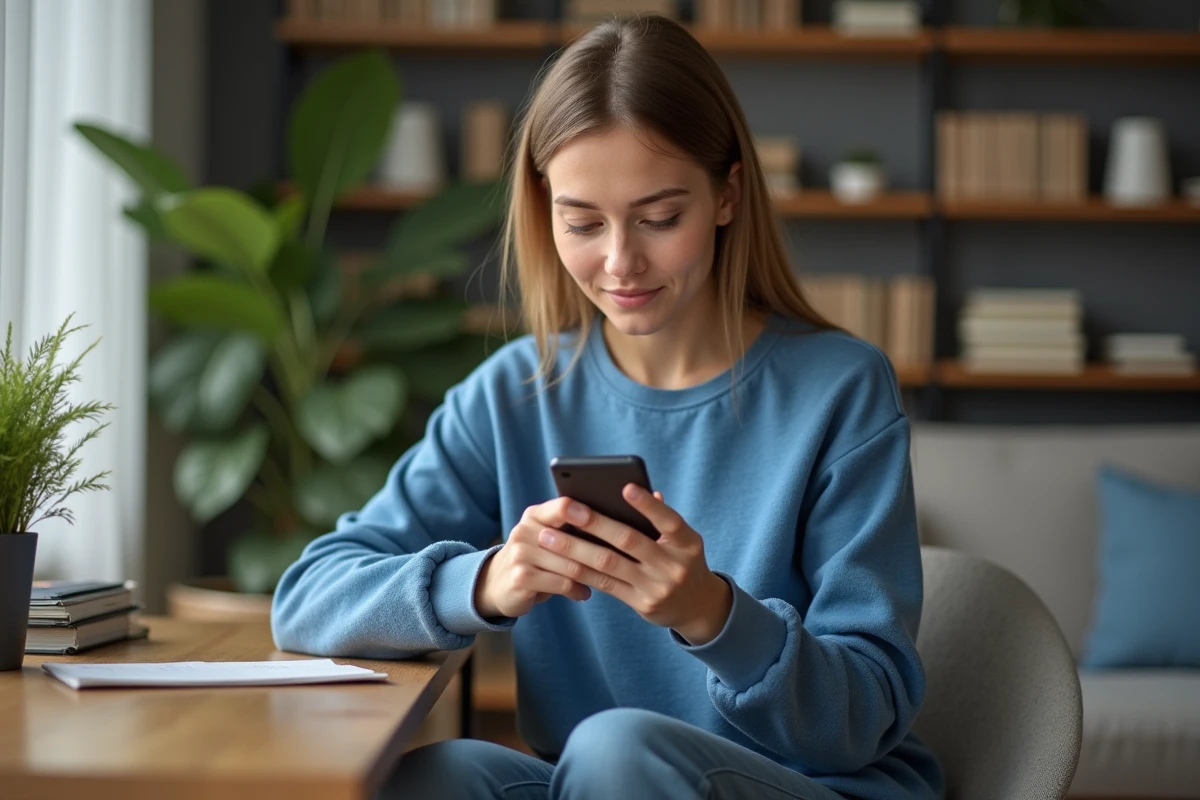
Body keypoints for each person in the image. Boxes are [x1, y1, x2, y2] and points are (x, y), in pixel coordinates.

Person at [271, 14, 945, 800]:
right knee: (434, 777)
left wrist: (714, 615)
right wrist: (486, 581)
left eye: (660, 219)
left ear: (727, 196)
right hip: (599, 781)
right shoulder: (516, 391)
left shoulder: (840, 388)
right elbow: (308, 596)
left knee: (617, 750)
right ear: (544, 206)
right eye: (582, 222)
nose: (620, 262)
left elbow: (864, 716)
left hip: (805, 784)